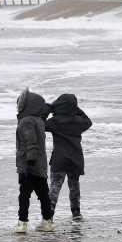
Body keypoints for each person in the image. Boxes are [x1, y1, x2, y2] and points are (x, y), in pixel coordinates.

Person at [46, 93, 92, 221]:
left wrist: (50, 109)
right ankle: (76, 213)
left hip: (59, 158)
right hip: (75, 158)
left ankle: (48, 215)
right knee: (74, 186)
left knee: (55, 186)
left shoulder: (54, 122)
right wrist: (75, 108)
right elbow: (88, 121)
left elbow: (40, 124)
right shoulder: (79, 121)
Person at [14, 88, 55, 233]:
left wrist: (29, 161)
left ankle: (22, 223)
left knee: (24, 195)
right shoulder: (39, 121)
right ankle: (47, 222)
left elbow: (31, 141)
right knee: (43, 195)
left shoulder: (27, 121)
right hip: (40, 166)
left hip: (28, 166)